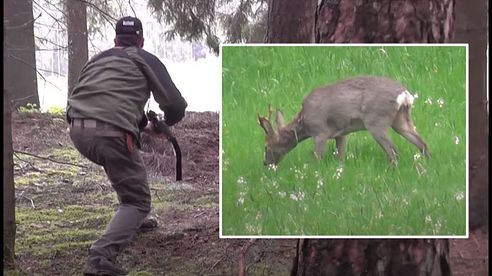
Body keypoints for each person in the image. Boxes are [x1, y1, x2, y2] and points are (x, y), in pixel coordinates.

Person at [66, 16, 187, 275]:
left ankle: (132, 221)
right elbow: (176, 104)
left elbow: (106, 98)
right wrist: (167, 121)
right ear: (141, 41)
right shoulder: (144, 58)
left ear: (115, 40)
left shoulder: (97, 60)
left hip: (77, 129)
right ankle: (100, 258)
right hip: (111, 133)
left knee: (125, 171)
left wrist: (145, 126)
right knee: (138, 200)